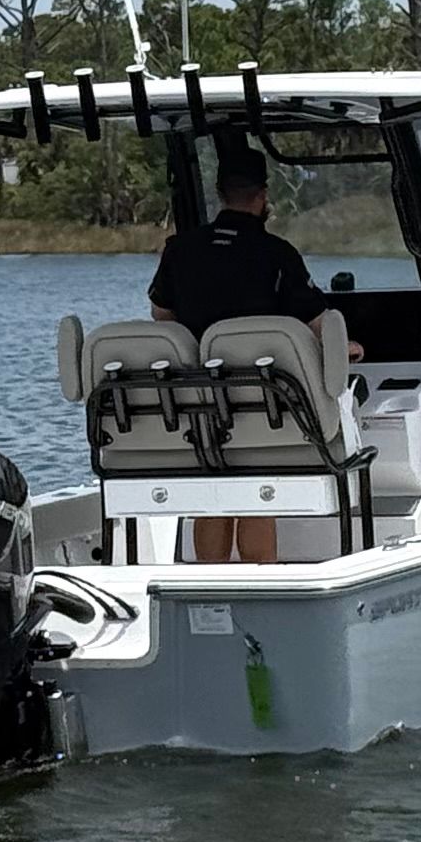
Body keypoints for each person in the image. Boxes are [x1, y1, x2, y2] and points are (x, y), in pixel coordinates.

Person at [147, 132, 327, 562]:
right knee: (255, 483)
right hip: (262, 401)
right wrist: (348, 346)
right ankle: (262, 578)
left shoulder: (179, 250)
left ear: (219, 194)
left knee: (212, 484)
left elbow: (160, 315)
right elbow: (317, 324)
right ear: (262, 196)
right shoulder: (277, 253)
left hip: (194, 404)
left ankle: (209, 579)